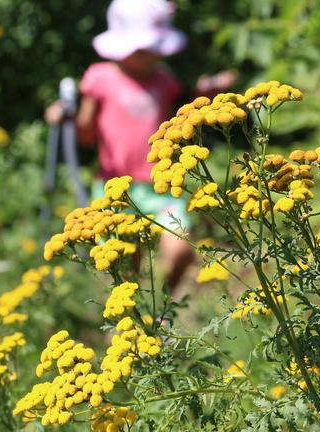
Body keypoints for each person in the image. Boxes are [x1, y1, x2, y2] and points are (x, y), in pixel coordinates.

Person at [45, 0, 235, 293]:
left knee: (182, 247)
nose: (154, 56)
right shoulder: (101, 77)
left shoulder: (164, 79)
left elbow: (181, 116)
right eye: (146, 50)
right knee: (125, 265)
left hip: (163, 186)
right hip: (114, 189)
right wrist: (64, 114)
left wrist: (210, 90)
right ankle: (136, 323)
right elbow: (85, 136)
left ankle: (164, 308)